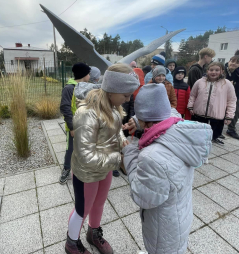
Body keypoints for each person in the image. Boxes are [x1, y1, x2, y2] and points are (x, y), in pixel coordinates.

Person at [122, 83, 212, 254]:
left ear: (145, 121)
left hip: (162, 227)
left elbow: (142, 196)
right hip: (179, 214)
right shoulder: (177, 128)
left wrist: (130, 154)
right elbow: (167, 113)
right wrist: (140, 121)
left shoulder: (151, 157)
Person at [65, 64, 139, 254]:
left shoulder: (113, 107)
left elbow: (115, 132)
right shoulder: (87, 114)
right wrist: (118, 159)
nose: (128, 99)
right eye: (125, 95)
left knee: (99, 203)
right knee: (83, 209)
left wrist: (122, 140)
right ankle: (72, 243)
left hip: (104, 167)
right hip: (86, 173)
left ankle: (93, 233)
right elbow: (85, 155)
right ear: (112, 90)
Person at [188, 62, 237, 145]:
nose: (214, 72)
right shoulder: (199, 82)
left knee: (214, 134)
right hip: (199, 113)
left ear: (222, 71)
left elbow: (231, 100)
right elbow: (193, 95)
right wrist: (190, 107)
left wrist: (229, 116)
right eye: (211, 70)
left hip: (217, 114)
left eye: (217, 70)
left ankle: (213, 139)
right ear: (207, 71)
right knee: (198, 134)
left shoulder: (227, 84)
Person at [59, 63, 91, 184]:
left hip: (86, 125)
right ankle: (67, 168)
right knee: (71, 149)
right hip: (74, 126)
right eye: (88, 73)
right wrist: (72, 127)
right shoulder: (69, 88)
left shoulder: (86, 87)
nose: (90, 76)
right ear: (84, 75)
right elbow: (65, 108)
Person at [225, 53, 239, 139]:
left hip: (236, 95)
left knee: (236, 111)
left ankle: (231, 129)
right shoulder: (223, 70)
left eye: (237, 62)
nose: (233, 63)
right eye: (232, 61)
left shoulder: (237, 73)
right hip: (222, 95)